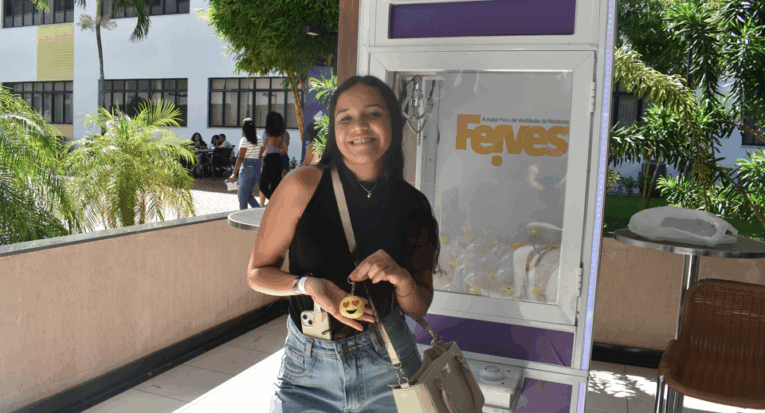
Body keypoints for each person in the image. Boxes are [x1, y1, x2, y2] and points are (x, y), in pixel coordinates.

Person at [247, 75, 440, 412]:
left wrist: (401, 279)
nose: (359, 126)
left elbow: (418, 306)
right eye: (345, 118)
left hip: (390, 363)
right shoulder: (302, 185)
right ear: (335, 131)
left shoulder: (413, 204)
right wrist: (308, 286)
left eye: (373, 114)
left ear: (393, 123)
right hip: (307, 369)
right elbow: (257, 274)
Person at [229, 119, 262, 209]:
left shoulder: (244, 140)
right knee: (248, 195)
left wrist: (233, 173)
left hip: (247, 167)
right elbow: (260, 156)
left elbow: (240, 157)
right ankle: (259, 212)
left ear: (243, 128)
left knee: (242, 196)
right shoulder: (259, 139)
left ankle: (243, 215)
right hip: (256, 167)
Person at [258, 112, 288, 202]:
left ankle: (274, 202)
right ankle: (276, 203)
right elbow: (285, 150)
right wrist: (277, 151)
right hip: (278, 159)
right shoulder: (281, 134)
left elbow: (264, 148)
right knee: (275, 186)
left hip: (269, 159)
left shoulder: (266, 133)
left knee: (263, 185)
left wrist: (259, 158)